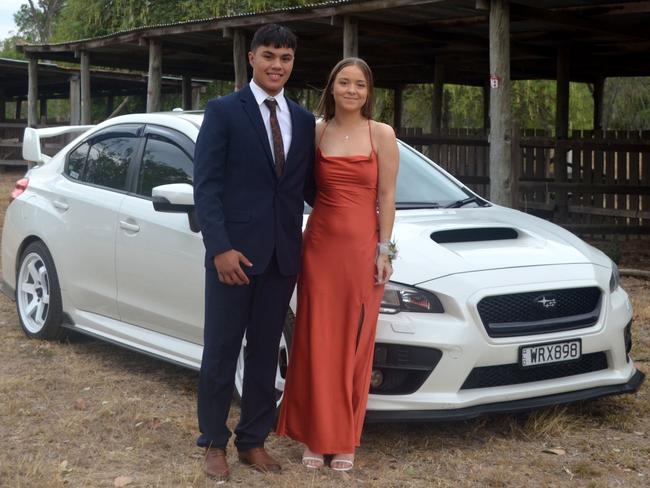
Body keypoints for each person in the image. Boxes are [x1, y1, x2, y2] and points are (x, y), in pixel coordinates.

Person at [193, 23, 315, 481]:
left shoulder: (302, 121)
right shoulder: (224, 111)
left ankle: (252, 440)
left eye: (284, 58)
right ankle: (212, 443)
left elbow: (308, 189)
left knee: (265, 352)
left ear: (292, 63)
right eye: (268, 56)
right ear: (251, 58)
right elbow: (205, 187)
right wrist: (220, 248)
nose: (276, 65)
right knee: (221, 352)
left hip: (283, 258)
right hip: (234, 260)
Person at [276, 57, 399, 471]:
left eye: (359, 85)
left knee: (354, 344)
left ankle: (343, 439)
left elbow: (386, 198)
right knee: (316, 342)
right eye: (343, 83)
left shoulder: (381, 134)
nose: (351, 90)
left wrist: (386, 252)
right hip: (320, 249)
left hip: (363, 251)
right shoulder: (316, 132)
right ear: (331, 88)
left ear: (369, 92)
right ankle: (316, 435)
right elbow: (296, 186)